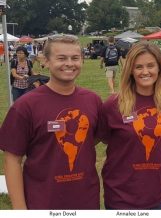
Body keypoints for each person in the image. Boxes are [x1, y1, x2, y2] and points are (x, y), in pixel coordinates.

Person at [0, 35, 102, 209]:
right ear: (45, 61)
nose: (69, 63)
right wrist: (20, 210)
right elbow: (12, 161)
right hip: (43, 201)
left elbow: (95, 138)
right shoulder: (25, 106)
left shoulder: (93, 100)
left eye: (75, 58)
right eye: (61, 58)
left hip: (86, 201)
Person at [99, 42, 161, 209]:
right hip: (120, 195)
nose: (145, 72)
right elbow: (105, 139)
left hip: (154, 194)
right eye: (139, 67)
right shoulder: (113, 105)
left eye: (150, 66)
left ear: (159, 68)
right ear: (130, 70)